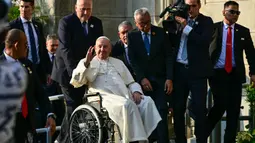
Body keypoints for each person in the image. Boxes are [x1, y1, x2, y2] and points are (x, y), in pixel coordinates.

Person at [70, 36, 161, 143]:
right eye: (100, 46)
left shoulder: (118, 62)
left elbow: (130, 82)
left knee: (147, 102)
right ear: (95, 48)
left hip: (124, 95)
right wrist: (86, 63)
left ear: (110, 49)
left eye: (105, 47)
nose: (102, 49)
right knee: (126, 105)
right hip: (102, 98)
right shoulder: (86, 62)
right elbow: (76, 82)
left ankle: (144, 136)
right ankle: (134, 140)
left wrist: (136, 91)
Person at [51, 0, 103, 142]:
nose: (86, 13)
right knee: (73, 107)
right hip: (68, 74)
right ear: (75, 8)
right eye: (82, 9)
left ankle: (61, 140)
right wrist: (75, 73)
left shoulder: (96, 23)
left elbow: (98, 48)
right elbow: (65, 50)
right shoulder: (66, 23)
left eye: (89, 9)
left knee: (78, 109)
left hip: (88, 73)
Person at [206, 1, 255, 142]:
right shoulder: (213, 28)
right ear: (223, 12)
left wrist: (253, 73)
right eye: (231, 11)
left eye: (237, 12)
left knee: (233, 111)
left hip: (234, 74)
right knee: (220, 105)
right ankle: (202, 134)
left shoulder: (243, 31)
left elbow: (251, 54)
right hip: (217, 73)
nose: (235, 15)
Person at [0, 29, 56, 143]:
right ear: (16, 45)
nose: (28, 48)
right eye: (25, 45)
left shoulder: (27, 65)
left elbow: (40, 93)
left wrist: (49, 115)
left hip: (27, 125)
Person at [127, 8, 173, 143]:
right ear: (136, 23)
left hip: (160, 80)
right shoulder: (132, 36)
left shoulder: (160, 33)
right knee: (145, 115)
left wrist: (169, 78)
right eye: (142, 23)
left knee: (161, 112)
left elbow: (168, 56)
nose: (146, 26)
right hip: (143, 83)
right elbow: (132, 60)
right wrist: (141, 78)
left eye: (148, 22)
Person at [171, 0, 214, 142]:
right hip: (179, 71)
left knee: (199, 110)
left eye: (193, 6)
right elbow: (169, 40)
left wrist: (186, 27)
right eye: (187, 6)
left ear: (199, 6)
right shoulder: (178, 20)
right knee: (178, 109)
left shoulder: (206, 21)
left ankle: (201, 140)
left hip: (197, 73)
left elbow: (203, 41)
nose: (190, 9)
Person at [8, 0, 51, 84]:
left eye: (26, 7)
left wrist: (48, 71)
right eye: (21, 6)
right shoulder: (12, 26)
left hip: (39, 70)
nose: (23, 9)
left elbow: (42, 49)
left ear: (32, 8)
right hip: (21, 70)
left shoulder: (38, 25)